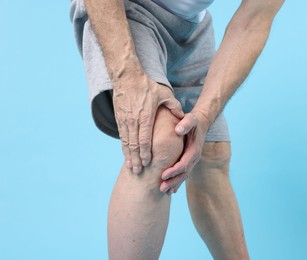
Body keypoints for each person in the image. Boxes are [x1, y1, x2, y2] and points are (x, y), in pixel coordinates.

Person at [70, 0, 284, 259]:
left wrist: (204, 115)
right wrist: (128, 75)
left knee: (211, 153)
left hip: (191, 27)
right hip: (126, 10)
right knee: (159, 143)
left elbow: (252, 22)